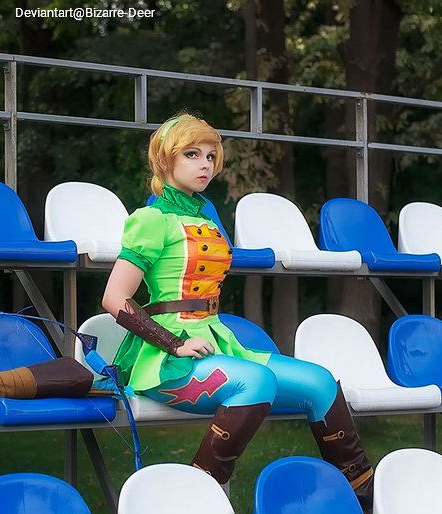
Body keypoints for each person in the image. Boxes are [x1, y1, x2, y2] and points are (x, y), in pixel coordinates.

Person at [102, 113, 373, 511]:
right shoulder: (151, 219)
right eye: (192, 154)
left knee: (320, 382)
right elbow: (113, 298)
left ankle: (364, 500)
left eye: (211, 156)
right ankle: (194, 501)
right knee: (256, 381)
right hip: (164, 357)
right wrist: (174, 343)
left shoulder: (206, 215)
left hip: (213, 340)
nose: (205, 165)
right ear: (165, 159)